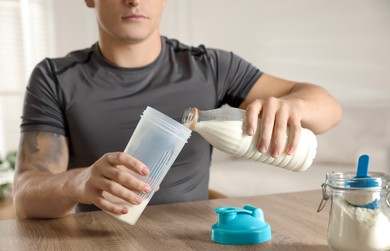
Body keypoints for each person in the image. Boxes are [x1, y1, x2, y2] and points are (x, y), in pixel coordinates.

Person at [13, 0, 342, 219]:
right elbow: (26, 195)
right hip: (101, 242)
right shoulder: (55, 78)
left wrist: (290, 105)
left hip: (194, 243)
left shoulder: (211, 67)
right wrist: (80, 181)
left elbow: (327, 108)